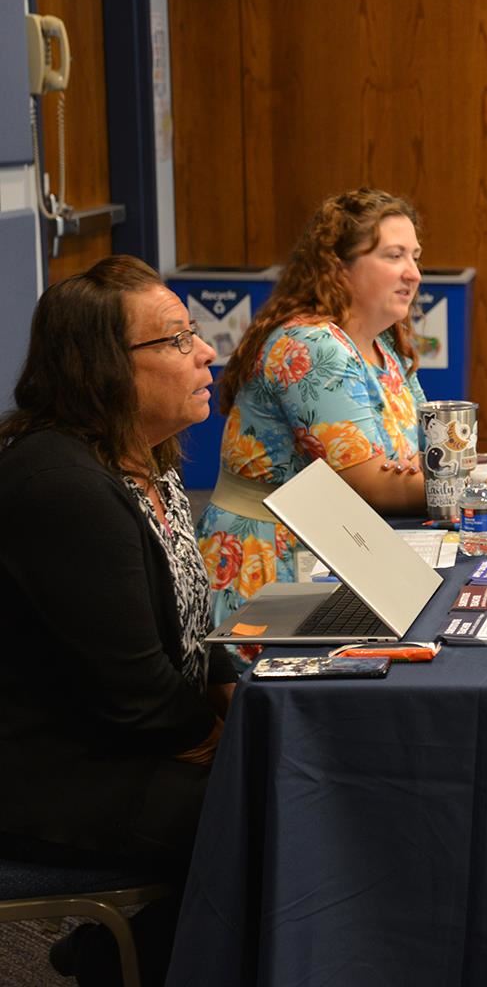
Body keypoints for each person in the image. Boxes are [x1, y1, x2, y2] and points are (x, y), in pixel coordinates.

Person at [0, 256, 237, 986]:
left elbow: (191, 633)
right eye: (174, 340)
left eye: (194, 333)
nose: (206, 352)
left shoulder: (145, 458)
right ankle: (129, 961)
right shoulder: (61, 487)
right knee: (277, 796)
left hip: (124, 739)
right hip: (54, 775)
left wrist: (230, 689)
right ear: (101, 368)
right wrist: (231, 731)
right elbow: (139, 700)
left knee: (287, 771)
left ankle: (128, 951)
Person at [196, 188, 430, 650]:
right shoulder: (311, 345)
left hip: (335, 554)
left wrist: (434, 472)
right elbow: (376, 485)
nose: (414, 273)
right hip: (272, 573)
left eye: (416, 256)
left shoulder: (383, 346)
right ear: (338, 267)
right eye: (394, 255)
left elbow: (424, 453)